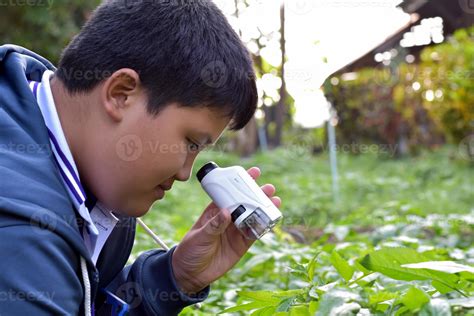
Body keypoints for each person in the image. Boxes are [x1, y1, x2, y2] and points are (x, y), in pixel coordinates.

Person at [0, 0, 281, 315]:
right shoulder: (19, 230)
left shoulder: (88, 183)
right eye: (190, 142)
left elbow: (83, 298)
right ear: (121, 93)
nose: (185, 173)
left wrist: (172, 280)